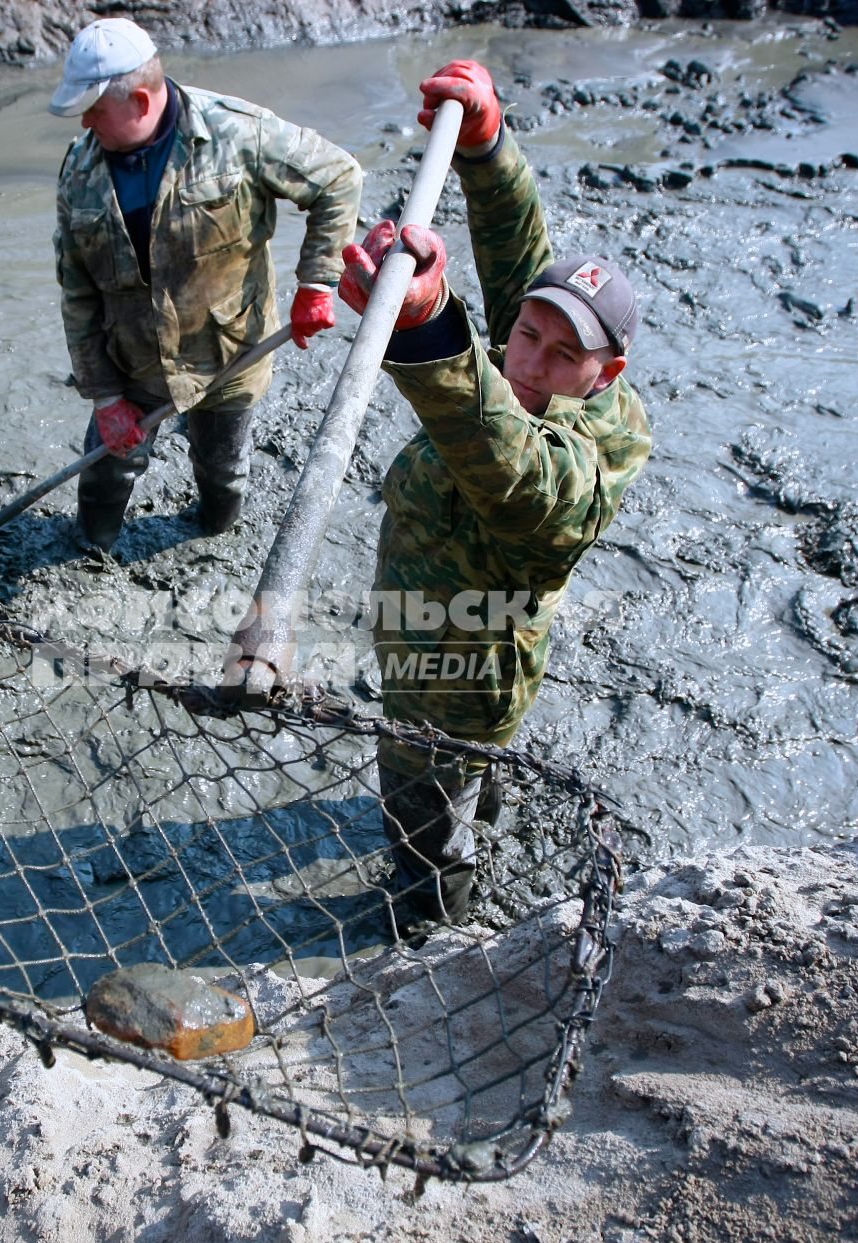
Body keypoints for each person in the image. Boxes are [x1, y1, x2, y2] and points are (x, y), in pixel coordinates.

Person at [336, 60, 653, 927]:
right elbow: (520, 261)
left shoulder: (585, 458)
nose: (530, 362)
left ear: (605, 374)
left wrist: (431, 325)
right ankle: (471, 818)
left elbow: (511, 465)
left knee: (425, 814)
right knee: (464, 786)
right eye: (525, 334)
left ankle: (431, 921)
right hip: (426, 618)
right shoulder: (539, 354)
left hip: (460, 664)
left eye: (561, 355)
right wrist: (486, 147)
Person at [50, 18, 362, 550]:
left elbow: (338, 178)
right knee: (105, 472)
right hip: (132, 363)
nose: (84, 122)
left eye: (95, 110)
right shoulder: (80, 170)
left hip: (229, 355)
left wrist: (316, 283)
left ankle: (211, 532)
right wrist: (105, 399)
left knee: (222, 471)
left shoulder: (238, 134)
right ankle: (90, 548)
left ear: (141, 103)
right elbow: (78, 296)